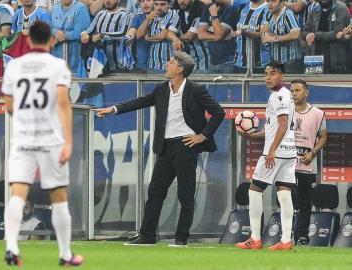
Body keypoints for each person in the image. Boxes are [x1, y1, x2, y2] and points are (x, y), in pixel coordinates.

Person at [93, 51, 226, 246]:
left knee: (185, 194)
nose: (166, 64)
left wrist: (202, 136)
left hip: (185, 145)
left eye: (171, 62)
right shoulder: (162, 89)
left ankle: (181, 239)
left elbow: (218, 112)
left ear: (180, 69)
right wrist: (113, 109)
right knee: (155, 192)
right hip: (165, 146)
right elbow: (140, 101)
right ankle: (147, 236)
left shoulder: (196, 90)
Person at [1, 21, 82, 266]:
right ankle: (66, 255)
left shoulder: (14, 66)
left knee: (17, 193)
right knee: (58, 196)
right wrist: (68, 142)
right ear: (51, 40)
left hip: (23, 137)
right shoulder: (58, 66)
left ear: (28, 40)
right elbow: (63, 103)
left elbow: (8, 103)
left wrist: (25, 119)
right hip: (51, 138)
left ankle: (12, 248)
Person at [236, 62, 296, 251]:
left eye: (273, 74)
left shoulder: (279, 97)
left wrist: (271, 150)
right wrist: (256, 135)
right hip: (289, 152)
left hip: (275, 153)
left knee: (254, 190)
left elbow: (283, 124)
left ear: (282, 77)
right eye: (266, 74)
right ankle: (286, 240)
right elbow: (275, 127)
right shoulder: (287, 96)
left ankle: (255, 238)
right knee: (284, 193)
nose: (268, 77)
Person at [290, 79, 327, 245]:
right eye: (292, 90)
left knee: (305, 202)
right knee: (287, 199)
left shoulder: (318, 114)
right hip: (286, 164)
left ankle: (302, 236)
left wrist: (312, 153)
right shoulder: (286, 111)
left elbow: (323, 136)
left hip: (306, 165)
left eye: (297, 90)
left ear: (306, 92)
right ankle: (286, 235)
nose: (294, 93)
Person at [81, 0, 131, 72]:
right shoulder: (100, 14)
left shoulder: (125, 14)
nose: (108, 1)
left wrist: (102, 35)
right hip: (100, 63)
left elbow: (123, 34)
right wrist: (84, 34)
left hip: (119, 64)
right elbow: (89, 31)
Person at [302, 0, 350, 73]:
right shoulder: (315, 10)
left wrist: (316, 35)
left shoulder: (341, 8)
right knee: (314, 83)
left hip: (336, 60)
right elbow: (304, 32)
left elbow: (337, 33)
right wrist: (307, 36)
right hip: (315, 59)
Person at [261, 0, 302, 73]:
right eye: (268, 1)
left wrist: (275, 39)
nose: (270, 4)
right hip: (275, 61)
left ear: (281, 2)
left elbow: (296, 34)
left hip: (291, 61)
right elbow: (264, 34)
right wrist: (267, 36)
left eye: (273, 1)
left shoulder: (288, 14)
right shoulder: (268, 14)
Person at [197, 0, 238, 73]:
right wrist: (218, 37)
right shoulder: (206, 8)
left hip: (228, 62)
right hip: (210, 61)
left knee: (227, 84)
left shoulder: (231, 10)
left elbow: (219, 34)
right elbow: (200, 34)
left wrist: (213, 14)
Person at [51, 0, 90, 73]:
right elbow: (49, 28)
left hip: (75, 57)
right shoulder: (54, 9)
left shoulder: (81, 8)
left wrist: (61, 35)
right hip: (57, 57)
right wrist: (55, 32)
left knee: (75, 82)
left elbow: (82, 32)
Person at [233, 0, 270, 73]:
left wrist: (244, 32)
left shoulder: (268, 9)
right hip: (239, 63)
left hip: (261, 65)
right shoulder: (242, 6)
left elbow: (264, 35)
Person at [175, 0, 211, 71]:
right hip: (189, 61)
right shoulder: (179, 12)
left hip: (204, 60)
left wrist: (175, 39)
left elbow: (190, 36)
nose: (182, 1)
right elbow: (168, 32)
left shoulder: (202, 10)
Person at [126, 0, 154, 71]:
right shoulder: (138, 17)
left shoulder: (165, 16)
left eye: (148, 0)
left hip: (159, 63)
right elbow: (132, 32)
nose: (145, 3)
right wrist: (128, 38)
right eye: (142, 1)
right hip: (141, 64)